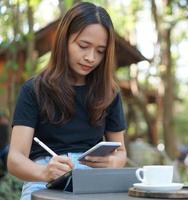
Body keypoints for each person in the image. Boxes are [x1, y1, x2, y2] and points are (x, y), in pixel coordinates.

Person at [7, 2, 127, 200]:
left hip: (93, 183)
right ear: (64, 40)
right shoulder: (34, 89)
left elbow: (120, 152)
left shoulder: (109, 93)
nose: (90, 57)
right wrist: (44, 172)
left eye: (100, 51)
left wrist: (113, 163)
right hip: (44, 181)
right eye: (83, 46)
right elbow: (15, 159)